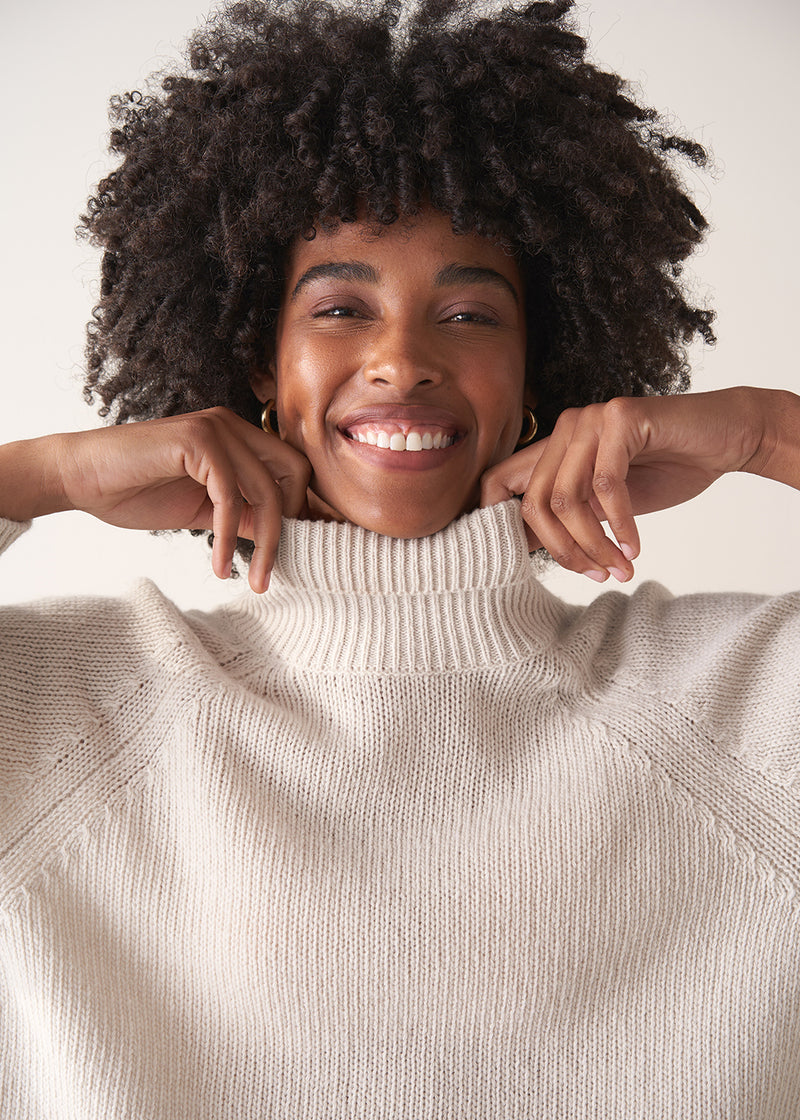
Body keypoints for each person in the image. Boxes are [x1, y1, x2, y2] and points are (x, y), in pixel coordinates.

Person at [1, 1, 798, 1116]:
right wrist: (42, 476)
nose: (401, 358)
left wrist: (761, 431)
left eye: (468, 314)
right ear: (260, 365)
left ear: (539, 373)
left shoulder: (746, 713)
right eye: (339, 307)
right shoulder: (57, 718)